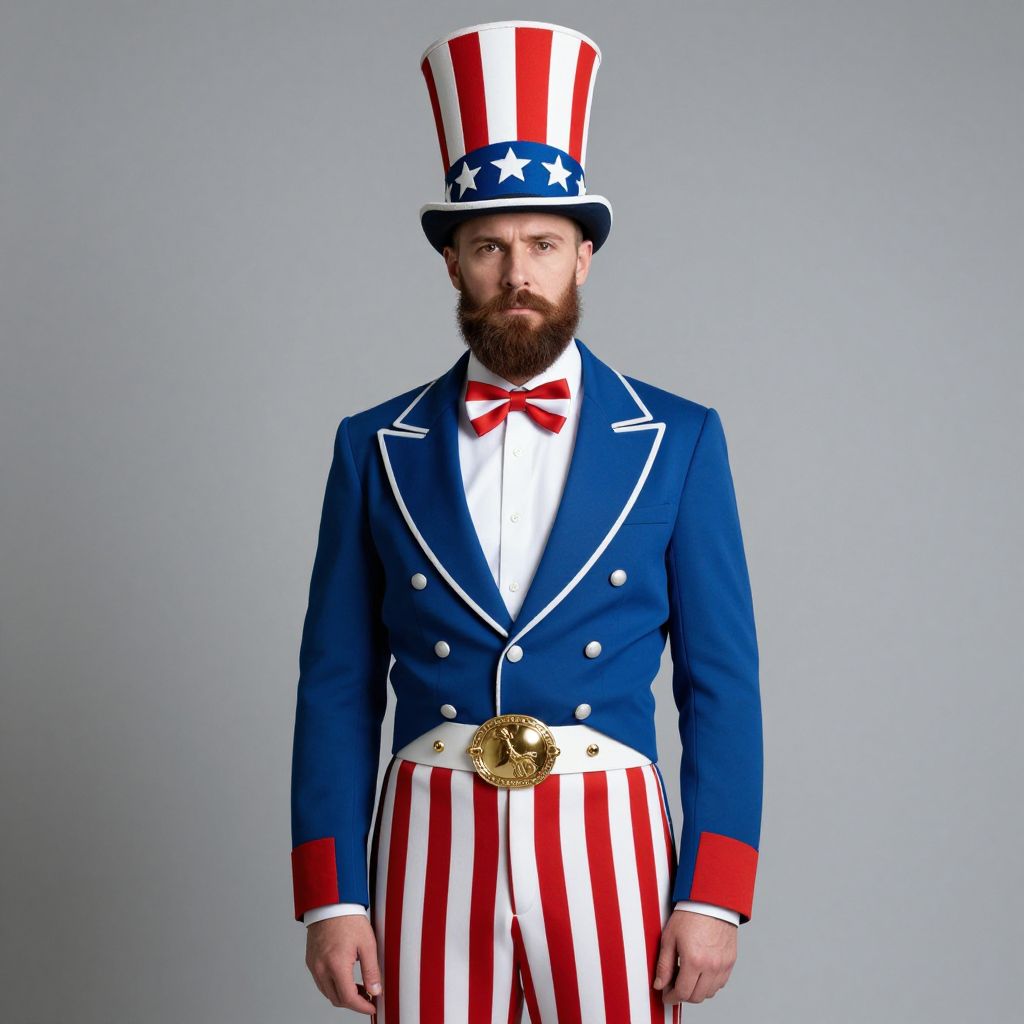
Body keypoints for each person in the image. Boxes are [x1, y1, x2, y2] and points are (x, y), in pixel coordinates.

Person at [290, 21, 763, 1022]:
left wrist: (714, 891)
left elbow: (720, 682)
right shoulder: (373, 443)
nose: (517, 272)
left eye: (543, 244)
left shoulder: (675, 439)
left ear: (583, 257)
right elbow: (335, 686)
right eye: (489, 246)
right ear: (451, 264)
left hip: (610, 833)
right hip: (427, 831)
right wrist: (331, 893)